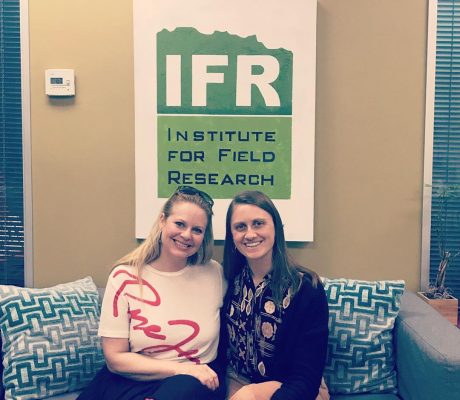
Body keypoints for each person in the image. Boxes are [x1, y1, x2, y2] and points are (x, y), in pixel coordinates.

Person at [78, 186, 227, 400]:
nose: (187, 235)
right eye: (180, 224)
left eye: (197, 230)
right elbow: (115, 358)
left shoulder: (215, 274)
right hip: (132, 380)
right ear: (162, 220)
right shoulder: (124, 277)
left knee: (184, 388)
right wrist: (183, 368)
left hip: (192, 386)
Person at [222, 190, 330, 400]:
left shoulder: (306, 289)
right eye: (240, 227)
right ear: (232, 235)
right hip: (236, 381)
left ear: (276, 228)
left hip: (293, 388)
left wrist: (253, 394)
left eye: (258, 223)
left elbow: (306, 380)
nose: (250, 234)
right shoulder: (229, 280)